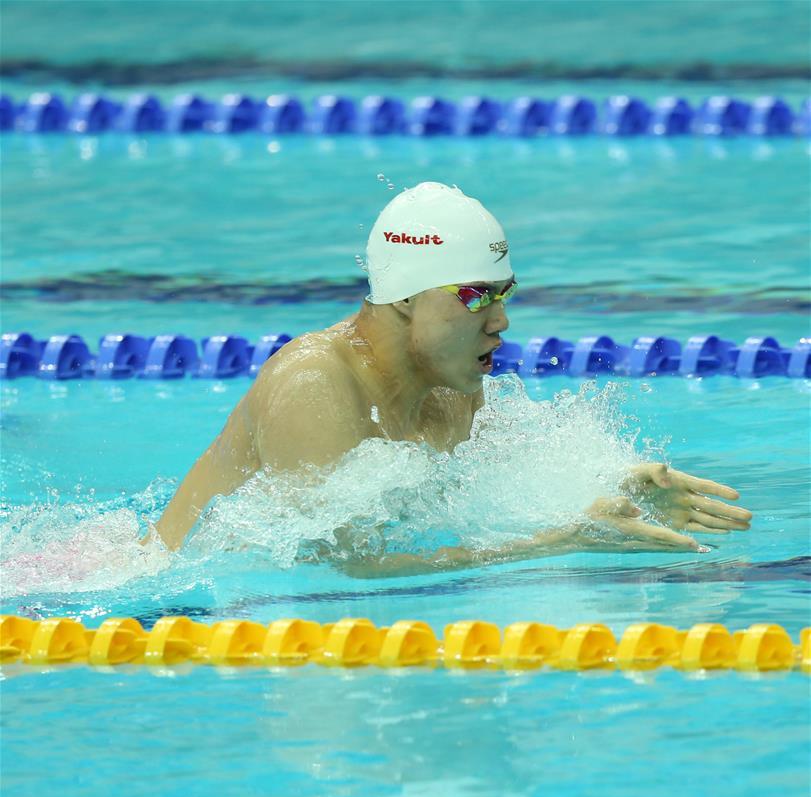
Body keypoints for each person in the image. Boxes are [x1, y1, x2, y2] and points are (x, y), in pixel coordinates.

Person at [150, 182, 751, 575]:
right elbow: (348, 566)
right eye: (474, 295)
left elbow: (495, 482)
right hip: (158, 598)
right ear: (406, 297)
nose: (501, 320)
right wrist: (561, 542)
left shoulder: (449, 383)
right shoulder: (314, 385)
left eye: (503, 293)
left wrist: (619, 487)